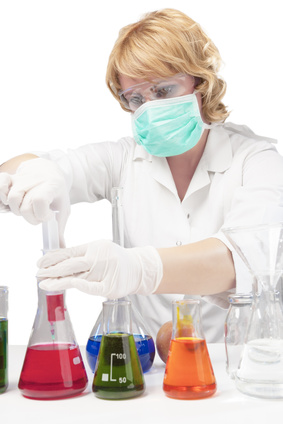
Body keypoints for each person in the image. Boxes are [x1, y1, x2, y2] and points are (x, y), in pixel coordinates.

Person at [1, 8, 283, 342]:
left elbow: (245, 259)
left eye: (163, 91)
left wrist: (136, 269)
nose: (149, 107)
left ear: (200, 84)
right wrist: (36, 173)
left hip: (241, 369)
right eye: (136, 98)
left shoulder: (256, 160)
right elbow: (17, 169)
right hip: (146, 378)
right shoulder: (121, 159)